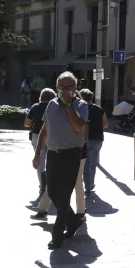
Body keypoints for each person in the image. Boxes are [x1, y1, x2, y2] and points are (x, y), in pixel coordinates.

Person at [32, 72, 88, 248]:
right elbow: (45, 129)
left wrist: (69, 104)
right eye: (62, 87)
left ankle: (57, 236)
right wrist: (38, 153)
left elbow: (78, 126)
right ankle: (73, 221)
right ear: (57, 87)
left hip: (71, 155)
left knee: (63, 197)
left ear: (75, 88)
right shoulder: (51, 104)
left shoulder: (81, 105)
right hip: (53, 154)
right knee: (52, 193)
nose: (64, 90)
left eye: (69, 87)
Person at [25, 88, 55, 200]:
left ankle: (42, 187)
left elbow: (27, 123)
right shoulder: (54, 107)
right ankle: (52, 186)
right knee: (52, 162)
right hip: (53, 136)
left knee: (40, 162)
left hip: (37, 135)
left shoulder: (35, 107)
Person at [79, 88, 108, 194]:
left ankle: (87, 186)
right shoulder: (99, 109)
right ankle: (91, 183)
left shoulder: (80, 108)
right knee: (93, 162)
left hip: (84, 138)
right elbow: (105, 124)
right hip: (98, 138)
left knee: (85, 163)